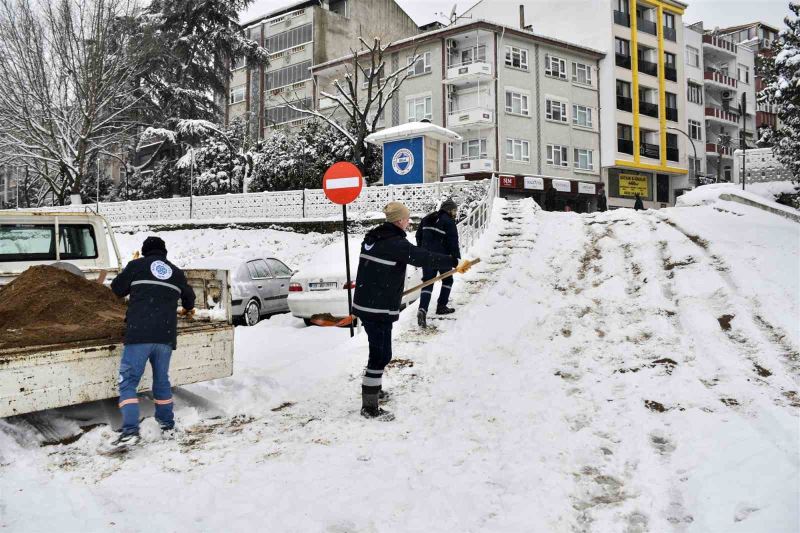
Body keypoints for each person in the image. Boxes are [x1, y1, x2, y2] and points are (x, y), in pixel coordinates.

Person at [353, 201, 471, 420]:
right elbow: (422, 257)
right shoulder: (394, 243)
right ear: (399, 220)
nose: (409, 222)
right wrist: (453, 261)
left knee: (376, 351)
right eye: (407, 218)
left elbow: (381, 270)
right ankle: (369, 407)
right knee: (381, 355)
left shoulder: (374, 238)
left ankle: (375, 390)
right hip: (376, 307)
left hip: (368, 302)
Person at [107, 236, 196, 449]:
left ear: (145, 252)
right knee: (162, 381)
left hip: (139, 334)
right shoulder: (176, 272)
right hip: (165, 336)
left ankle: (130, 431)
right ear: (164, 253)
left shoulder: (137, 265)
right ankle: (167, 425)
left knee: (128, 382)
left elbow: (116, 288)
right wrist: (183, 306)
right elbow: (190, 299)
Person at [415, 198, 460, 328]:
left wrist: (422, 250)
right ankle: (441, 306)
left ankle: (422, 309)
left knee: (427, 283)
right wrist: (456, 260)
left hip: (426, 257)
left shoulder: (427, 218)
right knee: (447, 281)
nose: (455, 213)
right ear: (449, 210)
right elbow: (453, 242)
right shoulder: (449, 221)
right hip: (442, 257)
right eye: (454, 210)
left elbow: (418, 236)